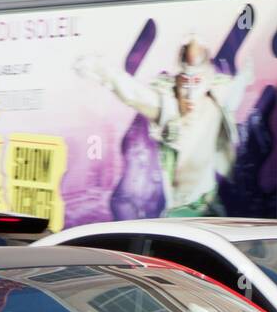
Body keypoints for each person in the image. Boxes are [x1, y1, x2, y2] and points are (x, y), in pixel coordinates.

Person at [77, 38, 252, 217]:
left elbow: (236, 90)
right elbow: (132, 93)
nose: (190, 94)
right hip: (181, 211)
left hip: (212, 206)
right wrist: (101, 70)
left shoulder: (216, 103)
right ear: (177, 81)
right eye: (185, 83)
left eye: (197, 82)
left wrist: (245, 74)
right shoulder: (167, 108)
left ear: (206, 81)